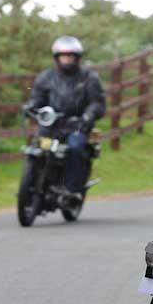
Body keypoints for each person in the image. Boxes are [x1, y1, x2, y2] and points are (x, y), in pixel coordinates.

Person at [25, 36, 106, 203]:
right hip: (51, 125)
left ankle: (72, 189)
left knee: (76, 148)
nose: (67, 59)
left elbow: (97, 102)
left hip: (77, 126)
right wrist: (31, 106)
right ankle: (34, 181)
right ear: (57, 57)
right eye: (63, 56)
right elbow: (37, 98)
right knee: (39, 147)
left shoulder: (89, 78)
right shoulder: (46, 77)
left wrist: (88, 116)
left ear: (77, 57)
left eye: (70, 56)